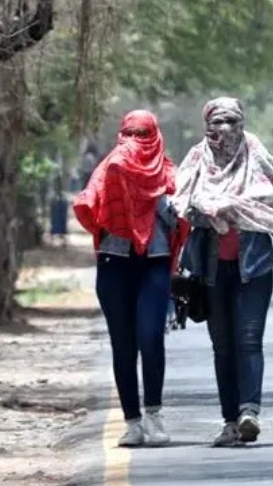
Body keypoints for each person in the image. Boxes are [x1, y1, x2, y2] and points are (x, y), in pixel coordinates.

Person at [173, 97, 273, 447]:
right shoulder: (197, 161)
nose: (225, 129)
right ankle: (230, 422)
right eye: (217, 122)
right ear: (207, 125)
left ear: (242, 123)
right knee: (222, 348)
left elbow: (272, 210)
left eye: (232, 121)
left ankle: (249, 412)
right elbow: (179, 205)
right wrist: (209, 209)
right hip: (212, 272)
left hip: (254, 269)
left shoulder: (257, 156)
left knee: (249, 341)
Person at [72, 111, 189, 448]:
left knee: (151, 337)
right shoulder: (109, 168)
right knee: (123, 345)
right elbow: (89, 207)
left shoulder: (169, 173)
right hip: (115, 264)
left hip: (154, 264)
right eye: (129, 133)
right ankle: (132, 422)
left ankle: (154, 414)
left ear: (155, 135)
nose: (135, 140)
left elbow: (183, 218)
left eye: (142, 133)